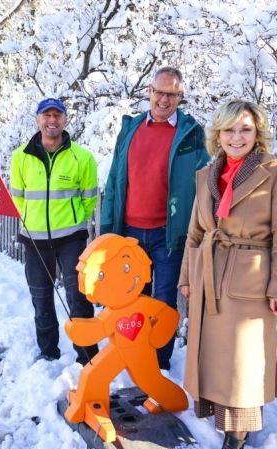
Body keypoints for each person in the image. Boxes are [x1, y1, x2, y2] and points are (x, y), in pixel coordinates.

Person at [178, 99, 277, 449]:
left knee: (240, 366)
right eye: (229, 130)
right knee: (215, 358)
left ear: (257, 132)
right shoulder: (205, 174)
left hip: (249, 279)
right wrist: (187, 277)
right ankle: (224, 431)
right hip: (208, 273)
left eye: (245, 129)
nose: (237, 137)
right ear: (219, 134)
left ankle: (235, 448)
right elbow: (196, 233)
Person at [100, 66, 210, 371]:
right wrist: (108, 232)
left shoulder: (191, 134)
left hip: (168, 235)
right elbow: (114, 181)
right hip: (130, 233)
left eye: (172, 94)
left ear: (181, 96)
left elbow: (205, 182)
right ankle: (132, 355)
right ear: (149, 91)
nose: (165, 99)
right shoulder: (131, 129)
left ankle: (159, 365)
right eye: (159, 92)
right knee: (130, 300)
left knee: (162, 303)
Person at [9, 98, 99, 364]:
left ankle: (87, 356)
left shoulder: (82, 157)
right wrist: (32, 220)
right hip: (34, 241)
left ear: (65, 119)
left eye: (57, 115)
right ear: (37, 119)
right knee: (41, 298)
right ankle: (48, 352)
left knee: (79, 297)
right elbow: (18, 196)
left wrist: (73, 220)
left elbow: (89, 198)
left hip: (71, 240)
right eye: (46, 115)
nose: (52, 120)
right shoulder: (20, 157)